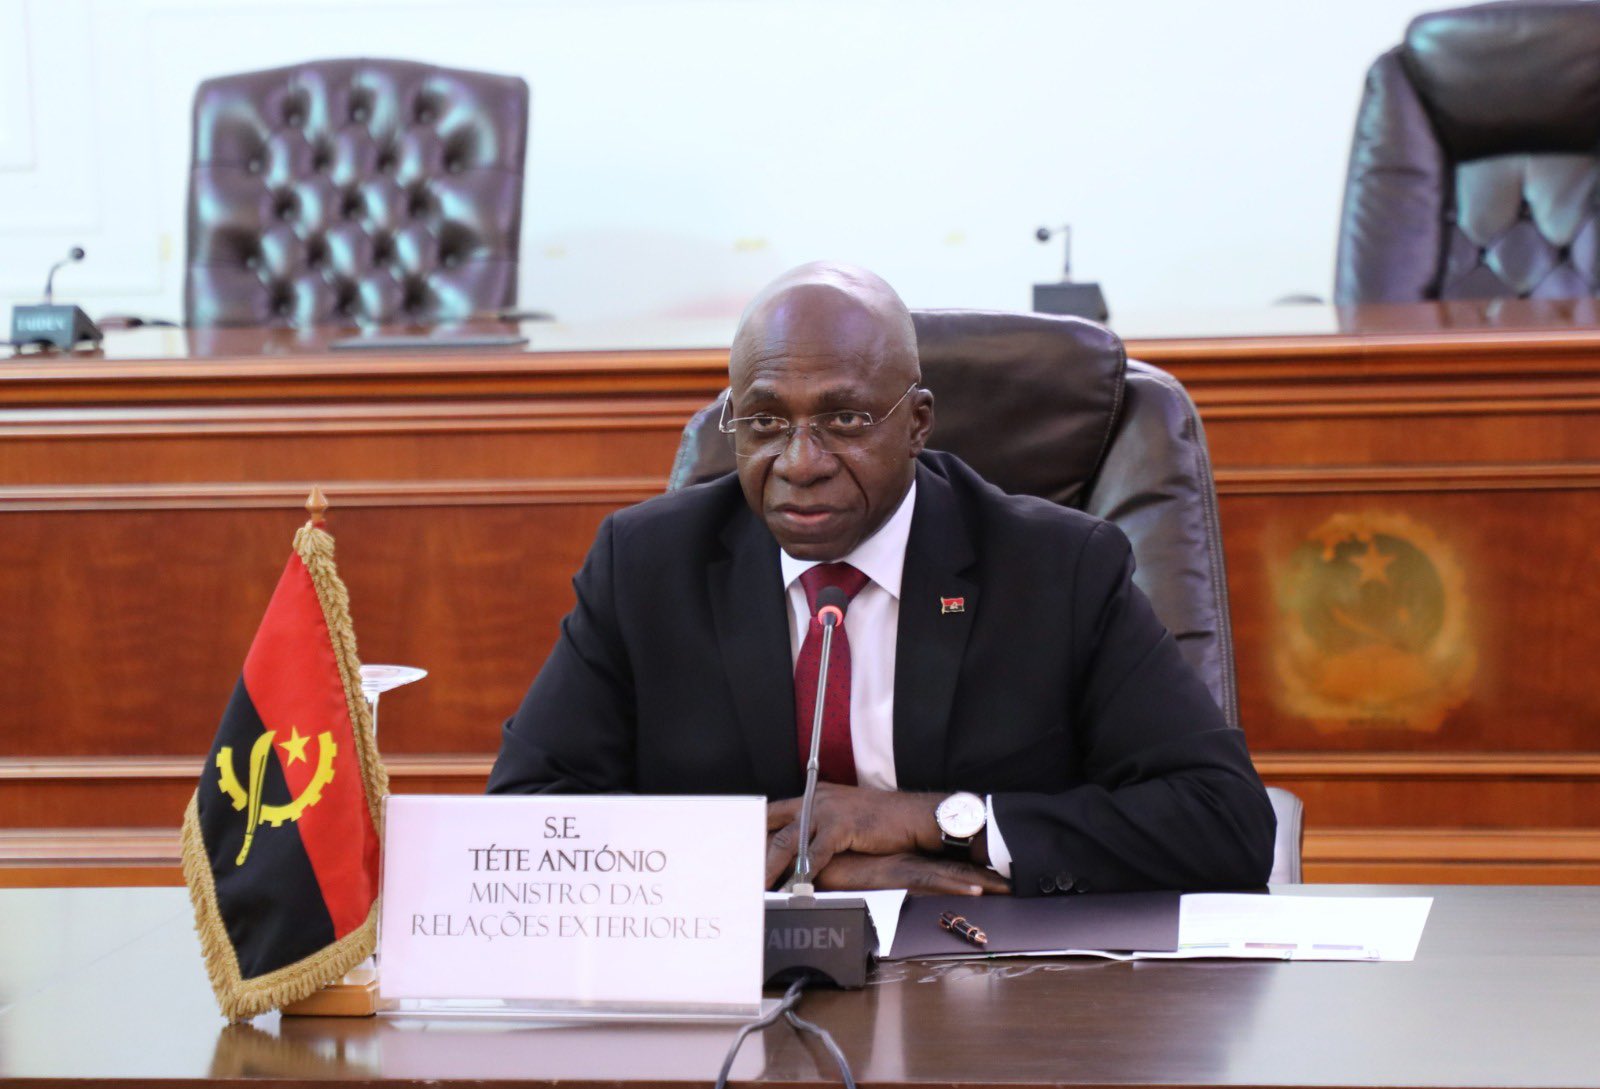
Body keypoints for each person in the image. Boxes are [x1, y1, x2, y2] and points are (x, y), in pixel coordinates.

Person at [488, 262, 1275, 896]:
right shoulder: (645, 564)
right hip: (736, 987)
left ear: (917, 422)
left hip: (989, 984)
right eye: (765, 421)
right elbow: (525, 819)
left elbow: (1224, 821)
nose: (800, 462)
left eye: (846, 420)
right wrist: (803, 867)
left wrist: (936, 822)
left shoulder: (1057, 569)